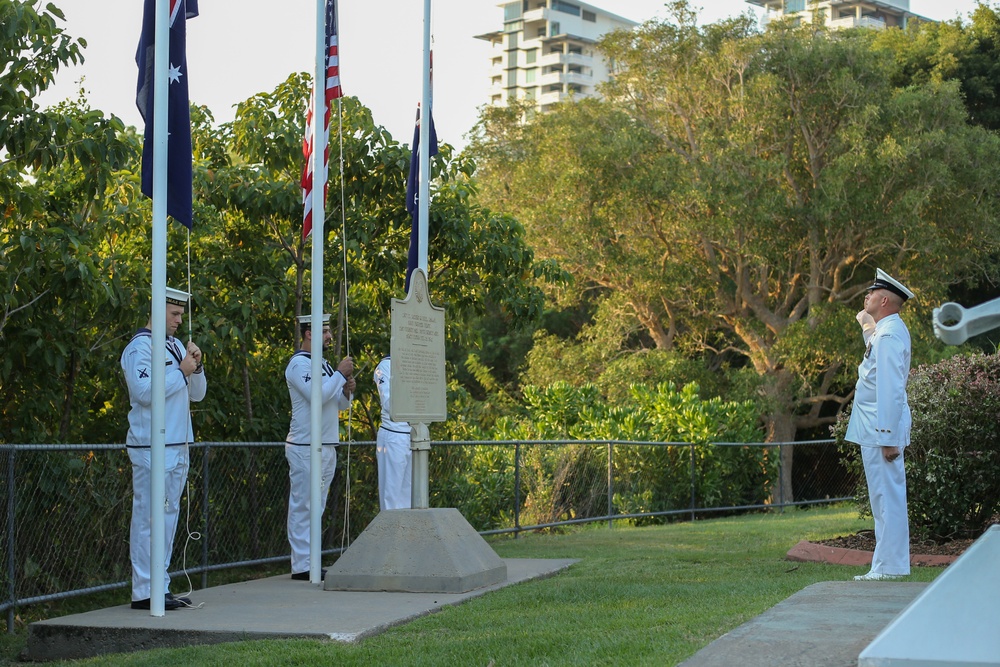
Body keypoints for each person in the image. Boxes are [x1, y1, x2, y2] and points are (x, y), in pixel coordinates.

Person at [121, 286, 206, 610]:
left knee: (168, 517)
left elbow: (196, 394)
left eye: (181, 315)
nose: (178, 320)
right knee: (148, 519)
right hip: (151, 445)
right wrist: (181, 371)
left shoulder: (172, 346)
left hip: (177, 443)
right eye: (173, 314)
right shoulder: (140, 347)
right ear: (157, 311)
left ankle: (161, 584)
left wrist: (195, 367)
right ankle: (143, 590)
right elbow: (143, 391)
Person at [845, 268, 914, 581]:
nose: (866, 296)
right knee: (884, 498)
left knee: (887, 499)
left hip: (879, 430)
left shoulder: (887, 337)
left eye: (872, 293)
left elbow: (889, 388)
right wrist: (865, 320)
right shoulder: (886, 331)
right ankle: (887, 565)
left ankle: (889, 567)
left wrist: (888, 437)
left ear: (884, 299)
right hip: (876, 429)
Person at [284, 313, 355, 580]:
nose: (329, 336)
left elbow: (336, 402)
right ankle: (301, 565)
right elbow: (317, 396)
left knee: (318, 505)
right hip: (304, 445)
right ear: (309, 333)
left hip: (326, 444)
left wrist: (347, 389)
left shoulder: (322, 364)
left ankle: (311, 559)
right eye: (324, 331)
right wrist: (339, 374)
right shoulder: (299, 365)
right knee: (303, 504)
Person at [374, 356, 412, 510]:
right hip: (394, 434)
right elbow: (389, 403)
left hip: (413, 434)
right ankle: (390, 534)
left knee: (410, 499)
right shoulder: (386, 365)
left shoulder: (414, 363)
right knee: (391, 498)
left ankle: (407, 534)